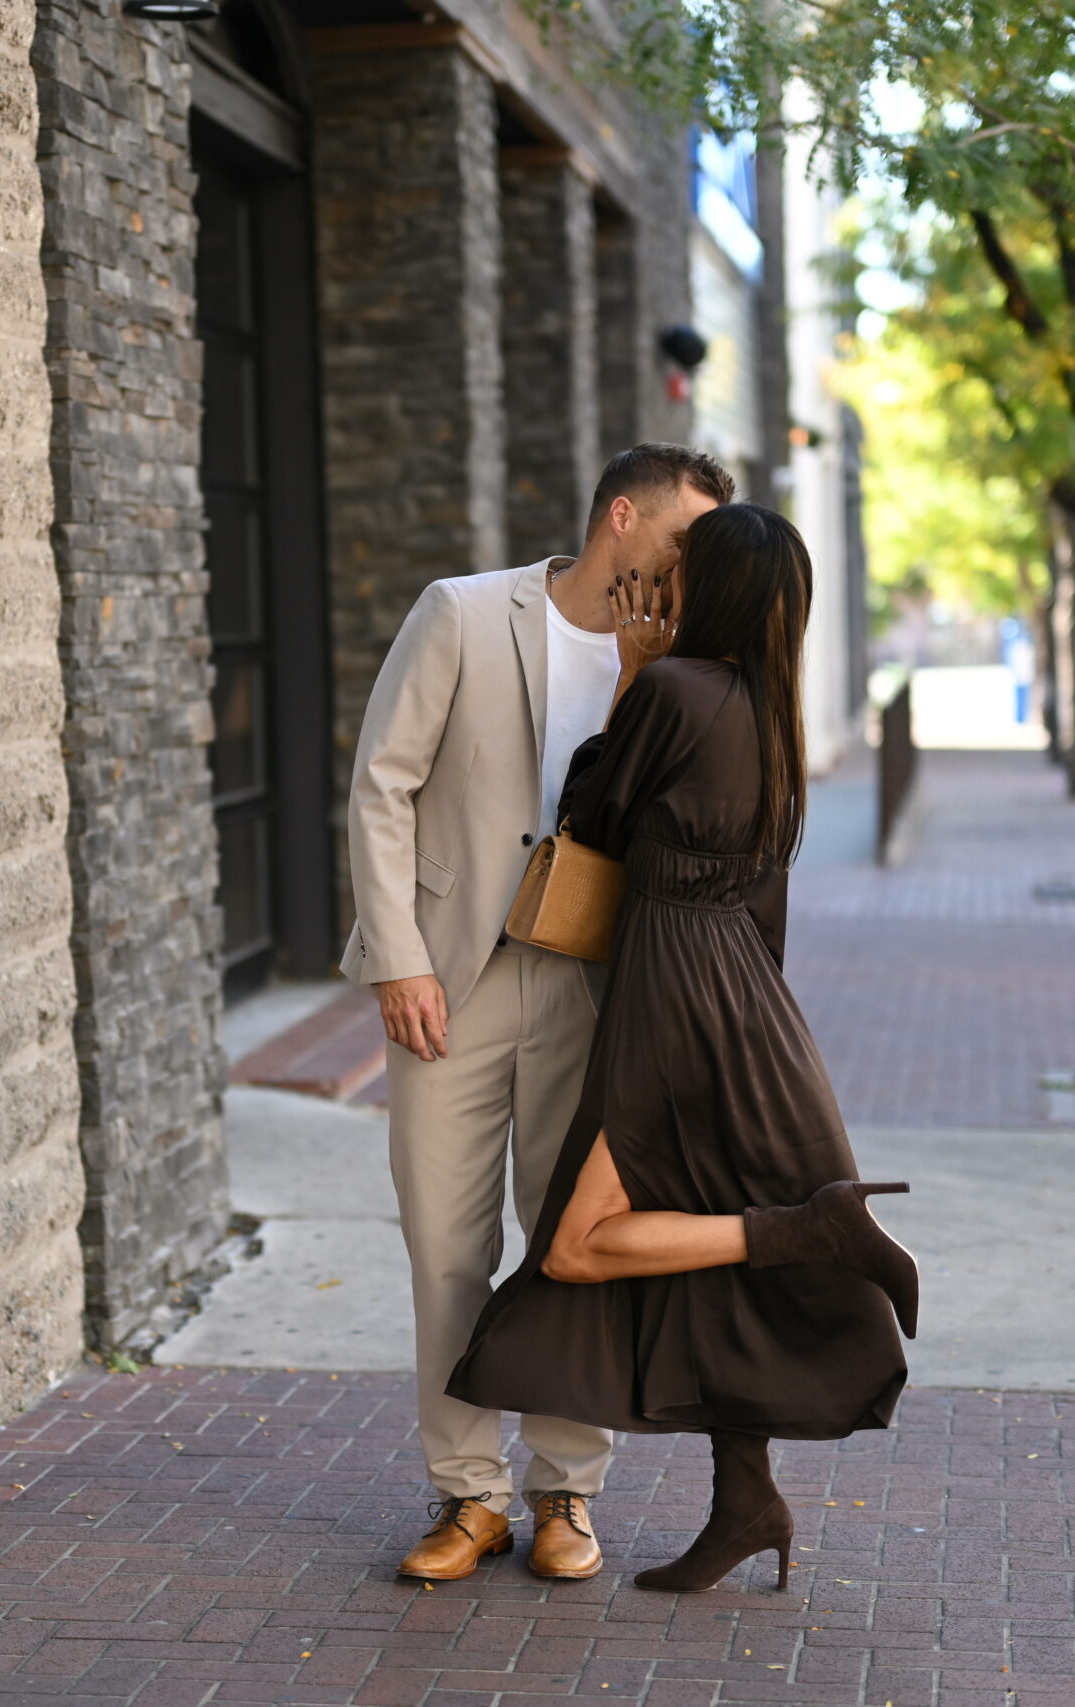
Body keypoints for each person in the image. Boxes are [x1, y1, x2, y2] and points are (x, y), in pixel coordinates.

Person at [446, 502, 916, 1594]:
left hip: (666, 995)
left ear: (717, 591)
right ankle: (745, 1501)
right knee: (685, 1233)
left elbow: (592, 817)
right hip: (740, 998)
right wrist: (760, 1036)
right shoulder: (774, 715)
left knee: (577, 1246)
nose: (661, 586)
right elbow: (766, 897)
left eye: (682, 573)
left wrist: (625, 675)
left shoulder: (669, 690)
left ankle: (797, 1233)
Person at [343, 444, 736, 1582]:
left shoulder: (670, 654)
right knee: (447, 1250)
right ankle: (468, 1497)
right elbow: (382, 785)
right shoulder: (462, 615)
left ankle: (567, 1493)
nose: (688, 564)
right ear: (624, 515)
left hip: (595, 986)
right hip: (452, 983)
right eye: (681, 539)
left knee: (576, 1247)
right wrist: (395, 958)